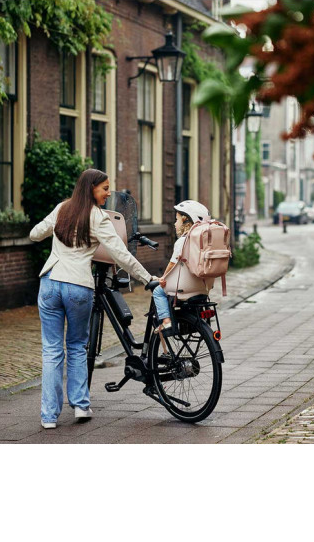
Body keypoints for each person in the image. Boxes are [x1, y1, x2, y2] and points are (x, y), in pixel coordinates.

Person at [29, 168, 156, 429]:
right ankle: (80, 406)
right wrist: (147, 278)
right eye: (105, 188)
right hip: (78, 286)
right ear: (91, 189)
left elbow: (34, 234)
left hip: (50, 284)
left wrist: (54, 229)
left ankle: (49, 417)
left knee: (52, 351)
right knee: (76, 346)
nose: (109, 194)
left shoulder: (62, 208)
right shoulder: (98, 217)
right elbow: (120, 254)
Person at [152, 200, 210, 344]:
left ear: (185, 219)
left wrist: (163, 278)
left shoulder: (183, 241)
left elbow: (172, 263)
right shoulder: (202, 241)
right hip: (202, 287)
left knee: (157, 291)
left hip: (183, 287)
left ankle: (166, 321)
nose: (174, 223)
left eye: (176, 219)